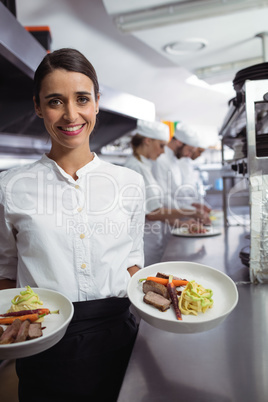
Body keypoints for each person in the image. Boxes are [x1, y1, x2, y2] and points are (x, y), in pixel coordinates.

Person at [0, 48, 145, 402]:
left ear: (97, 102)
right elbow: (5, 268)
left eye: (82, 98)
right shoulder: (8, 186)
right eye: (55, 101)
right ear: (37, 106)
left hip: (118, 334)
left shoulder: (130, 182)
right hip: (44, 340)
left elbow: (133, 260)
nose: (71, 114)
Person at [124, 119, 208, 266]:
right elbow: (151, 213)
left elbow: (153, 209)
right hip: (142, 242)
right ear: (147, 141)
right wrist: (189, 212)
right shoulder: (135, 167)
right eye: (161, 146)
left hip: (152, 238)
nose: (163, 151)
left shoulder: (145, 166)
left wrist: (180, 223)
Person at [152, 122, 211, 214]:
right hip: (165, 217)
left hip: (175, 217)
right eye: (189, 151)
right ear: (179, 142)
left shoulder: (175, 160)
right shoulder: (161, 159)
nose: (189, 155)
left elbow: (178, 193)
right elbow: (163, 196)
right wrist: (190, 210)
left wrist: (192, 205)